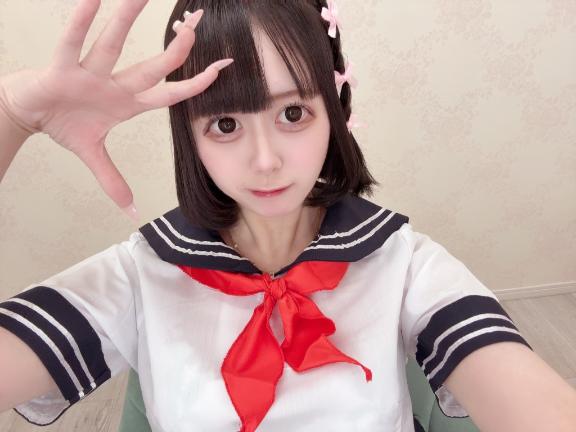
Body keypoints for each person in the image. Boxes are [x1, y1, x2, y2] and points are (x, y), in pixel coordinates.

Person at [0, 0, 575, 431]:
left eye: (293, 113)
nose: (266, 160)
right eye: (226, 124)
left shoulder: (404, 264)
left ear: (335, 110)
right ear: (189, 134)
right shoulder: (138, 275)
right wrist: (12, 114)